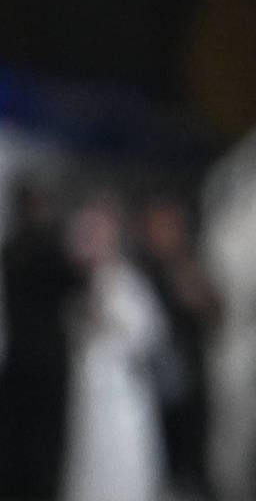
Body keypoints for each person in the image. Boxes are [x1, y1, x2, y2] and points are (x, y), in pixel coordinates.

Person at [61, 194, 169, 501]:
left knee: (124, 454)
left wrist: (110, 325)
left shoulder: (126, 281)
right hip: (91, 387)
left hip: (122, 386)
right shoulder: (89, 284)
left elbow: (149, 330)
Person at [0, 179, 84, 501]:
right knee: (45, 443)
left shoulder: (10, 250)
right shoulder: (51, 249)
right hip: (48, 363)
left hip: (18, 360)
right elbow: (77, 286)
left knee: (16, 440)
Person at [138, 193, 222, 501]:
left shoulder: (191, 265)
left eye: (169, 225)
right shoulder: (142, 273)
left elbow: (216, 314)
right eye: (157, 226)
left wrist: (193, 291)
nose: (163, 234)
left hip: (191, 378)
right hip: (153, 385)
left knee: (195, 460)